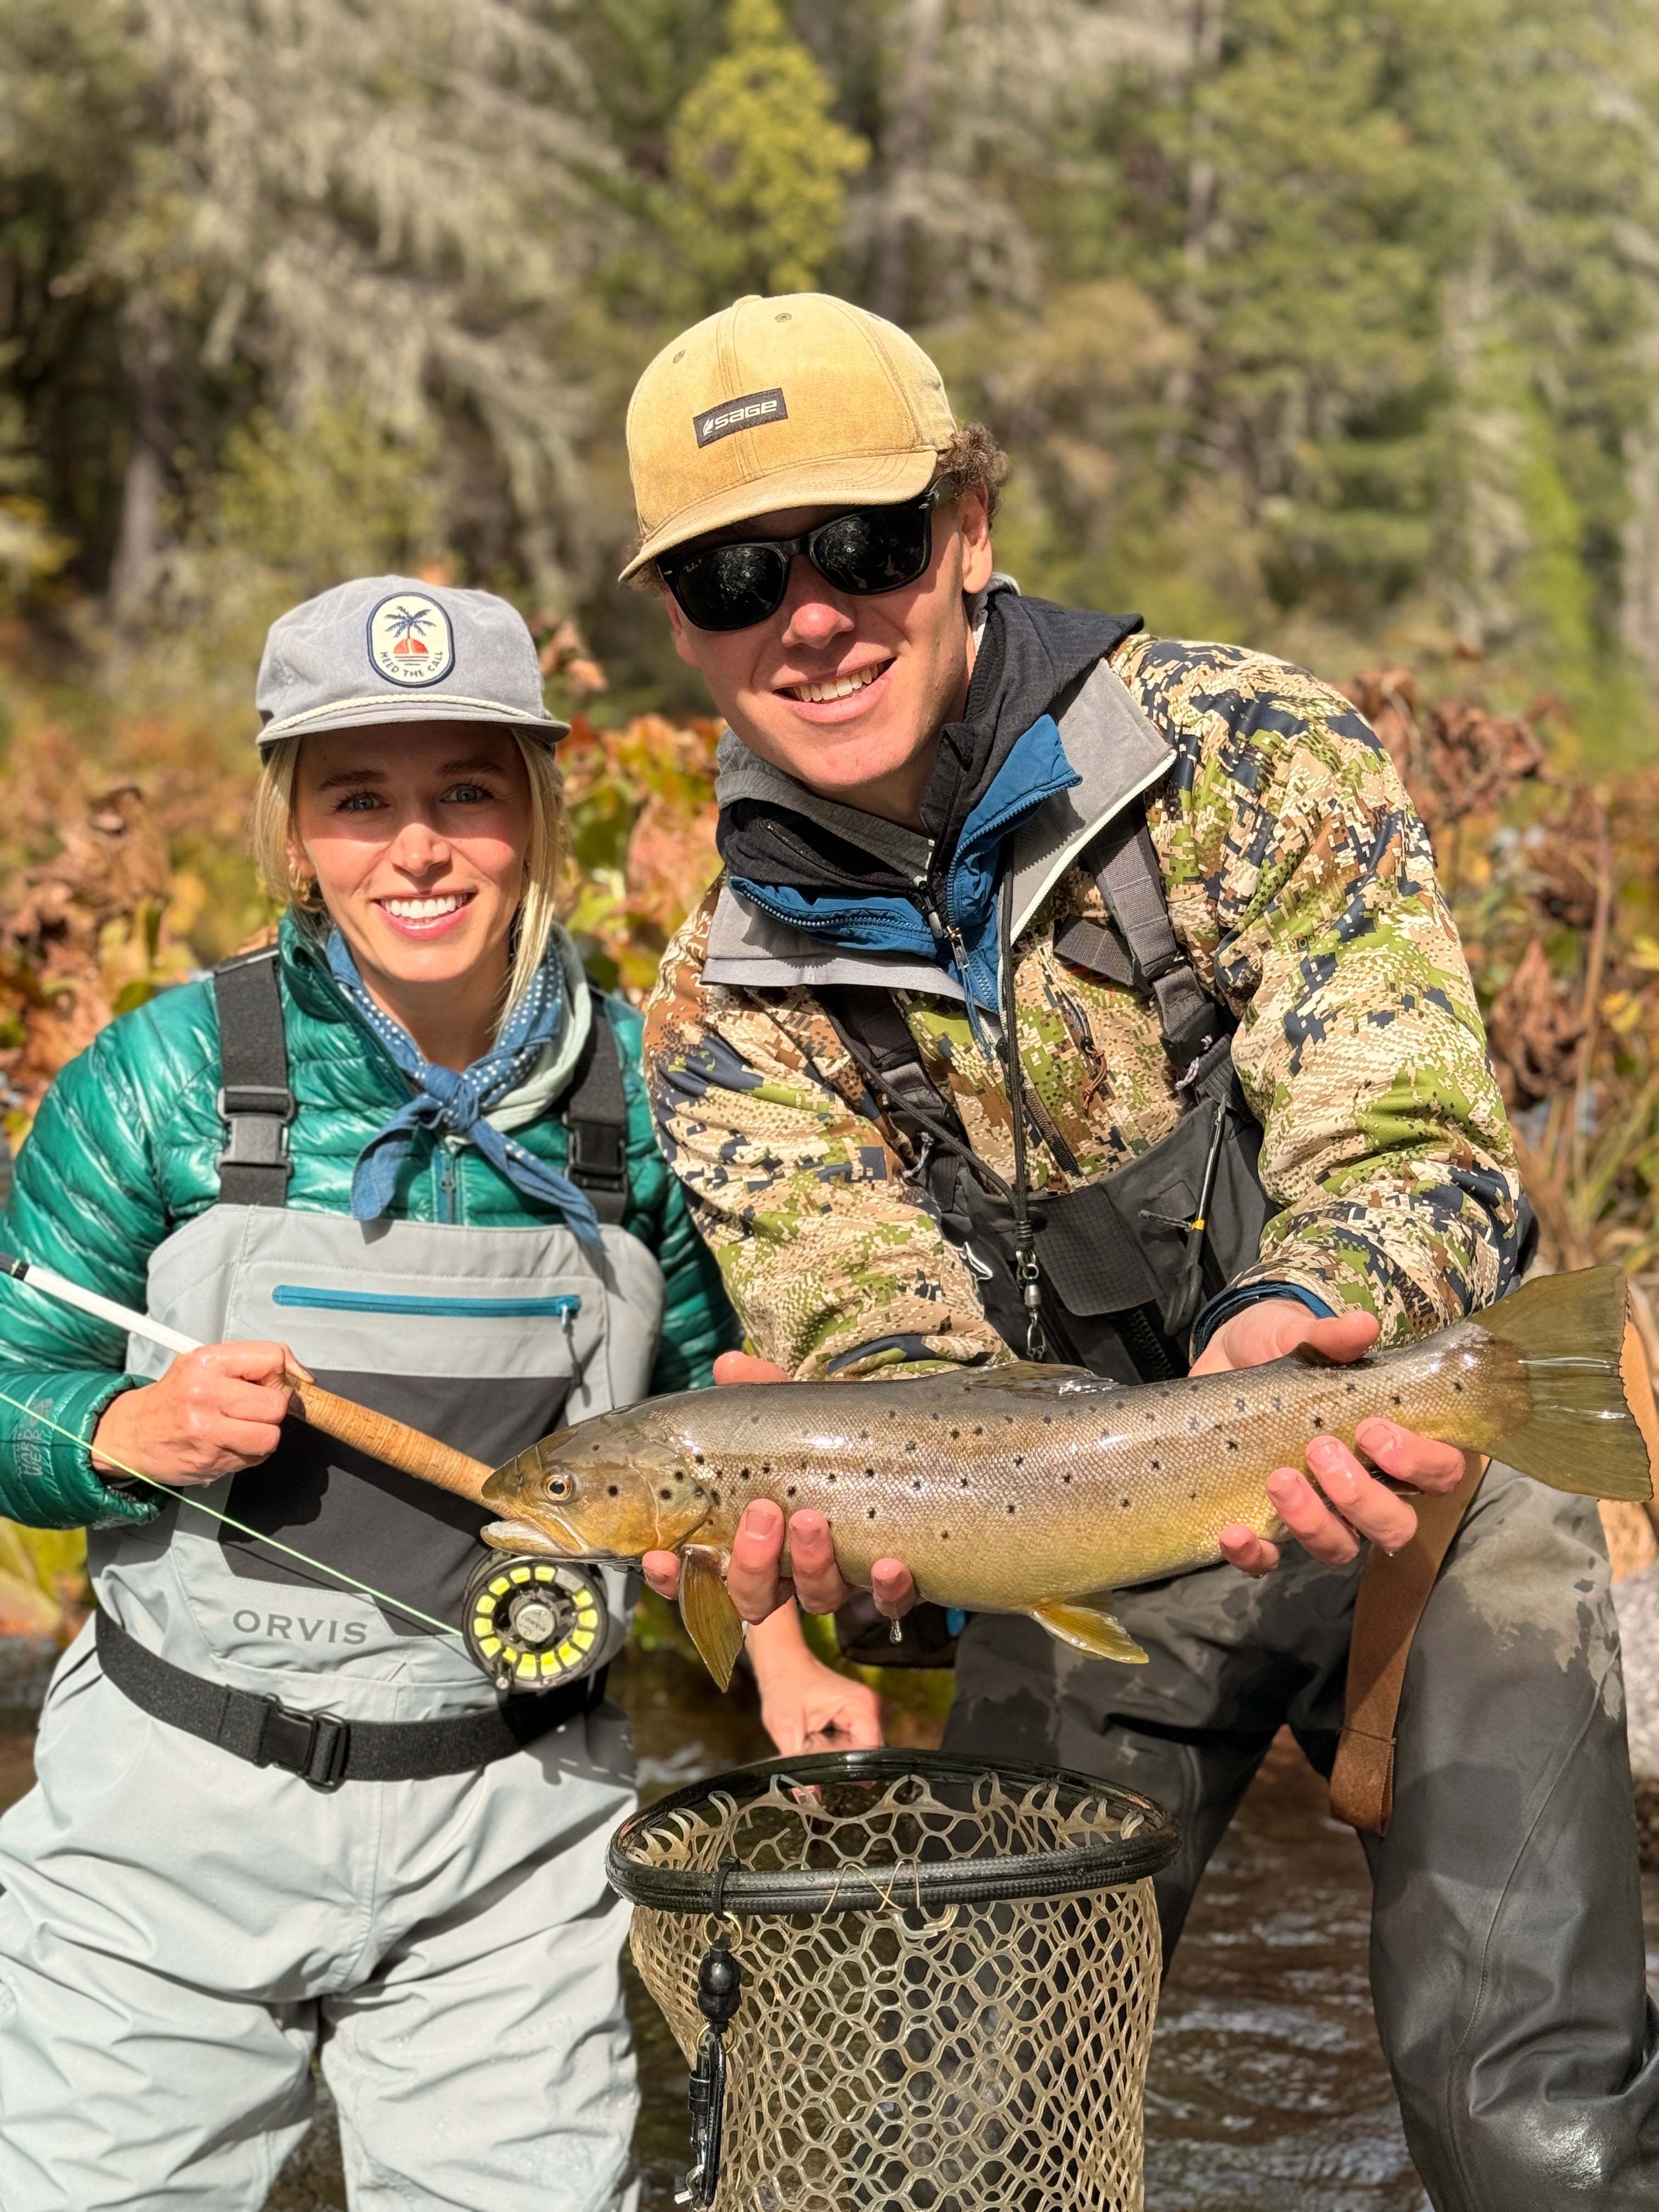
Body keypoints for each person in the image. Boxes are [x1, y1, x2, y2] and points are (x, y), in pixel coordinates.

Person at [630, 294, 1659, 2208]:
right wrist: (851, 1542)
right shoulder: (722, 1005)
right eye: (735, 576)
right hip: (1072, 1525)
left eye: (862, 545)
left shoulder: (1241, 750)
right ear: (683, 625)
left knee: (1528, 2106)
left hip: (1412, 1452)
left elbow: (1408, 1128)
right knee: (962, 2131)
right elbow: (877, 1347)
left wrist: (1307, 1312)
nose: (812, 617)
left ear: (967, 532)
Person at [0, 575, 849, 2211]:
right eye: (358, 800)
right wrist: (115, 1431)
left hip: (519, 1849)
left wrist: (786, 1655)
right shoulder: (162, 1080)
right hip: (157, 1845)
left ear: (534, 813)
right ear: (293, 832)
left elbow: (709, 1430)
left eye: (466, 792)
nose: (418, 851)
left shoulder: (645, 1099)